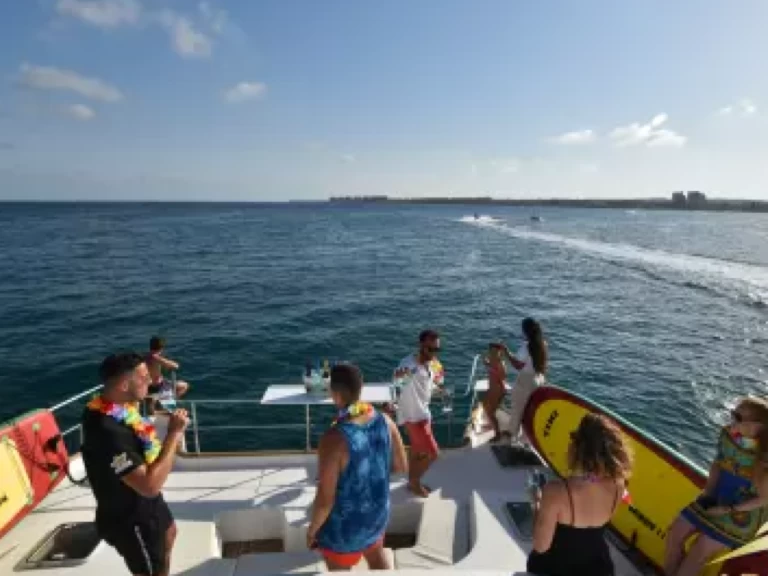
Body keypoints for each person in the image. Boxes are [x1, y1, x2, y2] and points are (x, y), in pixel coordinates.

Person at [81, 352, 190, 576]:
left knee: (169, 531)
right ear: (123, 385)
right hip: (129, 518)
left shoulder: (119, 406)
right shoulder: (106, 431)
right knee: (151, 570)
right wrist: (173, 433)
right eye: (143, 377)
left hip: (146, 506)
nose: (150, 380)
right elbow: (149, 486)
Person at [307, 363, 408, 571]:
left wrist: (312, 530)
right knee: (376, 554)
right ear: (361, 388)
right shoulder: (386, 421)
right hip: (377, 516)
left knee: (339, 570)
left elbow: (326, 500)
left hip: (346, 530)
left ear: (334, 394)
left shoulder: (333, 439)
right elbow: (401, 466)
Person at [663, 397, 768, 576]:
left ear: (759, 426)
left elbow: (764, 498)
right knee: (674, 535)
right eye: (732, 413)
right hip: (716, 495)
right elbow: (718, 463)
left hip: (742, 514)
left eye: (738, 417)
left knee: (699, 551)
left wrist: (728, 509)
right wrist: (709, 493)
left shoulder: (764, 455)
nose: (731, 419)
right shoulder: (727, 434)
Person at [527, 413, 633, 576]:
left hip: (557, 568)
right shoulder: (619, 486)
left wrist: (536, 504)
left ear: (578, 448)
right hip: (599, 568)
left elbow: (541, 546)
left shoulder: (556, 491)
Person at [394, 329, 445, 497]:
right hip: (414, 417)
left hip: (424, 413)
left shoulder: (432, 364)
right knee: (433, 454)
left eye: (437, 350)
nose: (433, 354)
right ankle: (415, 483)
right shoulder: (409, 365)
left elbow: (434, 382)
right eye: (430, 349)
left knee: (417, 452)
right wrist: (399, 377)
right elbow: (399, 382)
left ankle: (412, 482)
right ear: (420, 346)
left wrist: (438, 388)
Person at [500, 317, 548, 441]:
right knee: (531, 410)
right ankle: (528, 438)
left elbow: (517, 365)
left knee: (517, 408)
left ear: (526, 331)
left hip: (526, 381)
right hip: (539, 379)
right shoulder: (542, 344)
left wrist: (506, 352)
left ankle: (512, 436)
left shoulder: (526, 347)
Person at [146, 336, 190, 403]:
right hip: (157, 386)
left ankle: (161, 400)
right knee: (184, 386)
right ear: (161, 348)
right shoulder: (155, 357)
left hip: (150, 384)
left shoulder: (146, 356)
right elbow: (176, 366)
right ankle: (170, 401)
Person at [482, 343, 507, 442]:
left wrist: (495, 369)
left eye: (494, 351)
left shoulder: (500, 363)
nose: (491, 353)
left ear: (499, 353)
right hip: (491, 388)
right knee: (484, 404)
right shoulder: (492, 360)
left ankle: (498, 435)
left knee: (491, 412)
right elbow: (489, 365)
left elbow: (503, 377)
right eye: (490, 351)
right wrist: (486, 362)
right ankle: (492, 424)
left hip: (497, 390)